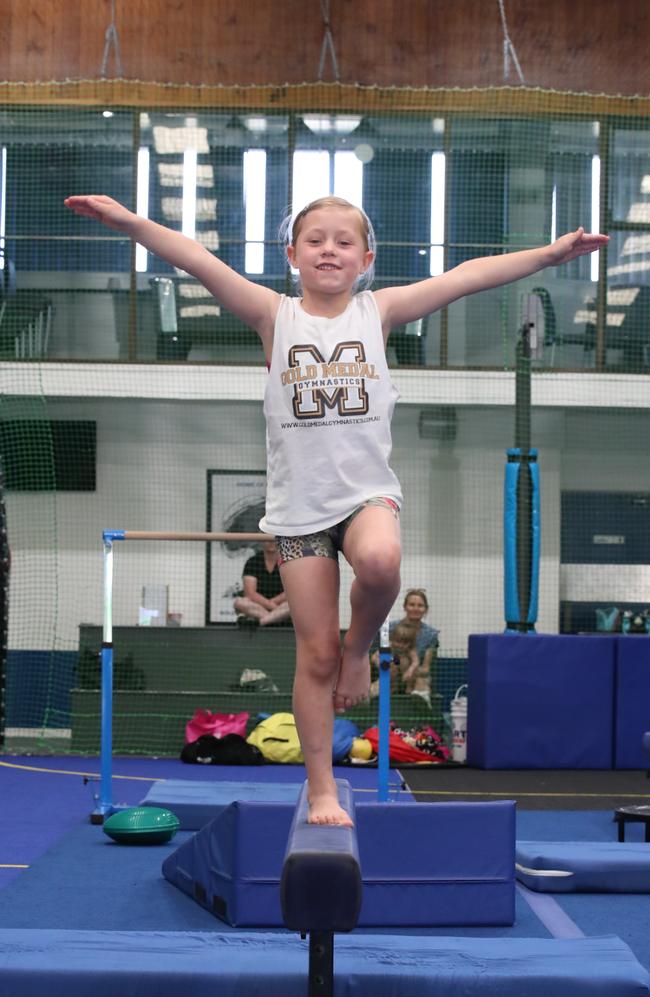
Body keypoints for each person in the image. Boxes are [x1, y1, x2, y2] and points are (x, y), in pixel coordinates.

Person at [64, 191, 607, 826]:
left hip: (363, 495)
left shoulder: (379, 313)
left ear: (366, 258)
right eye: (315, 240)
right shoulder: (274, 316)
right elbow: (198, 261)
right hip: (298, 515)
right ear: (292, 255)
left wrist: (548, 255)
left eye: (343, 241)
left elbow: (463, 277)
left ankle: (360, 648)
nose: (329, 249)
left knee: (380, 562)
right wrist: (129, 221)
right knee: (312, 655)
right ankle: (320, 786)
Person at [391, 588, 439, 703]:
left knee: (421, 684)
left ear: (425, 609)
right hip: (391, 673)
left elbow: (426, 668)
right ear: (405, 607)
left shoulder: (430, 635)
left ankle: (422, 710)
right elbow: (380, 656)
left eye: (420, 605)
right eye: (412, 604)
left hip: (416, 676)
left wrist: (410, 671)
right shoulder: (391, 628)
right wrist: (395, 666)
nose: (416, 608)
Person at [233, 538, 291, 626]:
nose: (271, 542)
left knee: (293, 605)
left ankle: (261, 621)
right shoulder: (253, 562)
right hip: (259, 607)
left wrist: (273, 604)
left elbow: (291, 591)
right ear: (261, 540)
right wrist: (272, 606)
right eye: (267, 539)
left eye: (274, 539)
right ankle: (276, 619)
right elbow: (250, 593)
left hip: (281, 606)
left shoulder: (288, 562)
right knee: (239, 602)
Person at [370, 621, 421, 700]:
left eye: (404, 643)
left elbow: (416, 662)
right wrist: (380, 664)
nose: (400, 645)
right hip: (389, 675)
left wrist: (410, 671)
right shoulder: (389, 645)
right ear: (393, 639)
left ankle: (409, 690)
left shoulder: (410, 650)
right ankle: (386, 688)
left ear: (410, 644)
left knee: (406, 662)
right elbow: (374, 657)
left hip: (406, 677)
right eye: (397, 642)